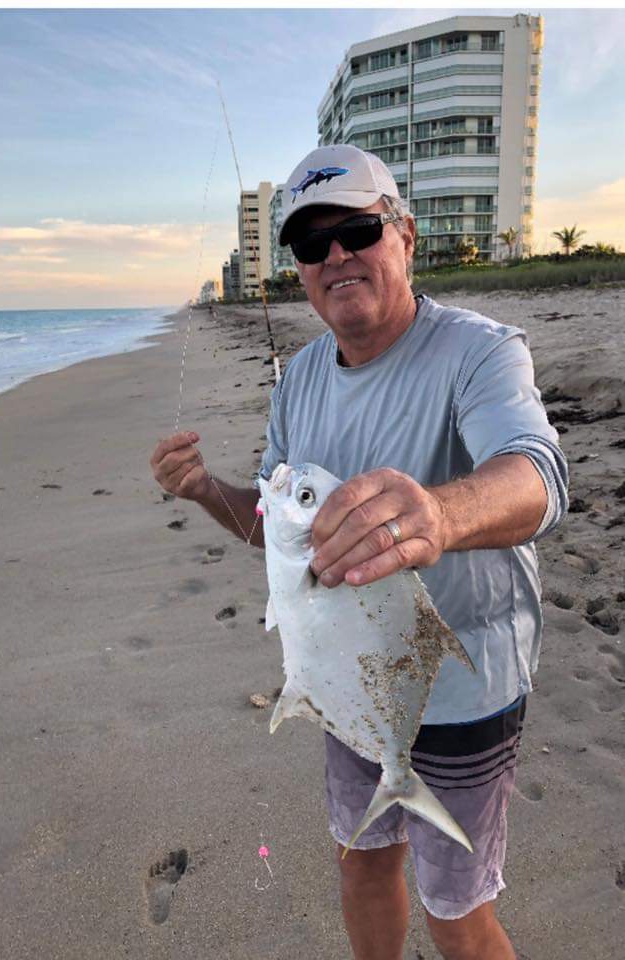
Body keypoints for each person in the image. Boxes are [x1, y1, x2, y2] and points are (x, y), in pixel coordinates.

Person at [151, 144, 568, 960]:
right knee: (362, 864)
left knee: (456, 912)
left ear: (404, 236)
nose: (337, 255)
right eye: (312, 243)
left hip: (464, 691)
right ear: (301, 271)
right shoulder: (300, 378)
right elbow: (277, 535)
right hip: (344, 685)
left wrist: (438, 516)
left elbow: (539, 478)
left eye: (358, 230)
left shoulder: (480, 352)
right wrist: (206, 489)